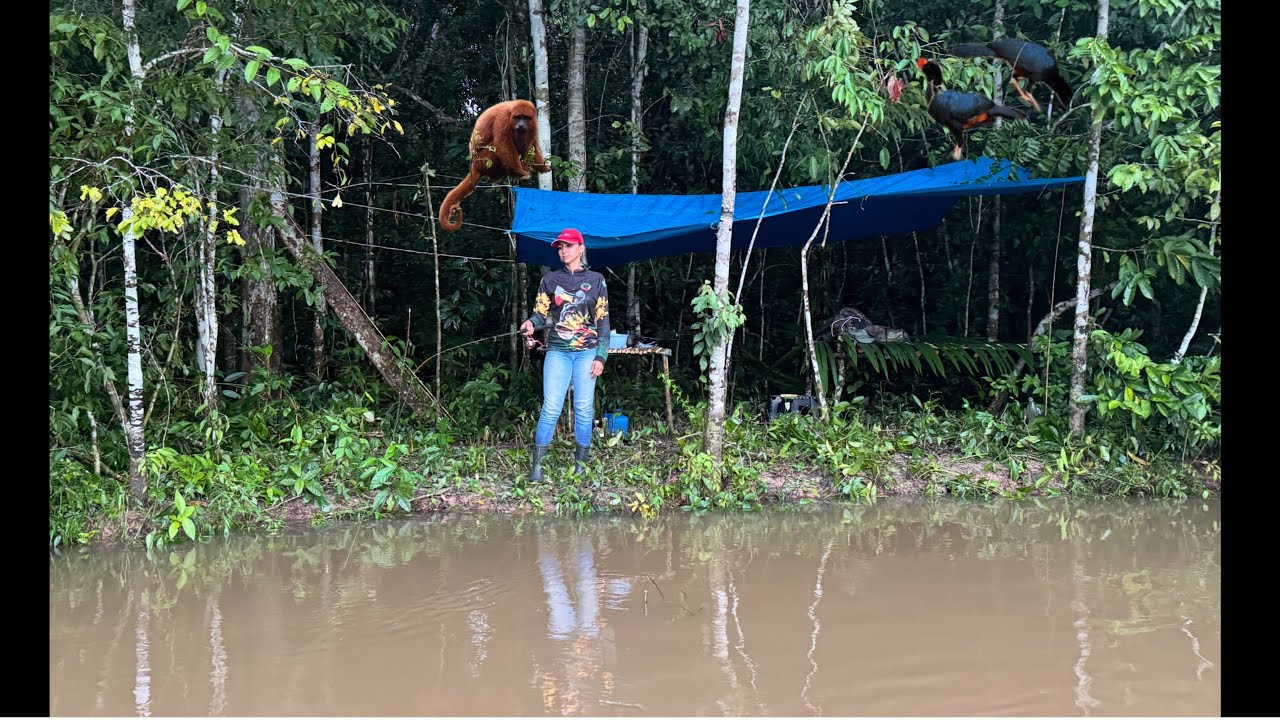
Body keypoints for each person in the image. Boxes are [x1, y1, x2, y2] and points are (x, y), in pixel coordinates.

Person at [519, 228, 610, 482]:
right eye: (560, 247)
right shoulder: (550, 279)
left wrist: (601, 356)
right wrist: (530, 323)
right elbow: (540, 314)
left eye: (568, 246)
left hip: (587, 351)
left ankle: (580, 467)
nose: (563, 251)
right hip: (558, 350)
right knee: (551, 407)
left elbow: (603, 322)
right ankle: (537, 468)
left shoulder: (597, 280)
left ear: (581, 248)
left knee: (583, 408)